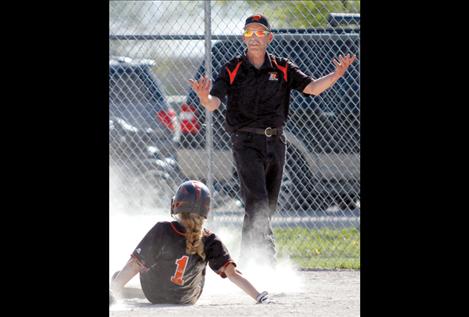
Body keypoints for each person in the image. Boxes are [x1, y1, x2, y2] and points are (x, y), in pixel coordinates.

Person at [189, 14, 357, 266]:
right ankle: (262, 260)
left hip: (276, 142)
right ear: (243, 38)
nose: (253, 38)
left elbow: (311, 88)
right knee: (256, 202)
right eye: (248, 33)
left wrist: (336, 74)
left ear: (269, 37)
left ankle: (250, 260)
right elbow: (214, 103)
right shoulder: (233, 68)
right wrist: (204, 97)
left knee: (267, 205)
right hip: (245, 142)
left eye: (259, 33)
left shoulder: (282, 67)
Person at [110, 180, 272, 305]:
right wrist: (258, 296)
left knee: (123, 272)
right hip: (188, 298)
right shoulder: (211, 240)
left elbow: (134, 265)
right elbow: (233, 274)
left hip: (154, 294)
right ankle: (120, 288)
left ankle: (115, 289)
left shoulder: (162, 230)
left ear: (177, 204)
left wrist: (114, 287)